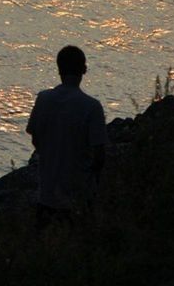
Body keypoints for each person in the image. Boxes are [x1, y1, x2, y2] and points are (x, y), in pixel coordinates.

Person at [26, 45, 107, 229]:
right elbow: (99, 156)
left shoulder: (43, 99)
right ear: (84, 70)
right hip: (77, 198)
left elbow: (36, 140)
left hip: (46, 196)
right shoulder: (92, 107)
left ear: (59, 69)